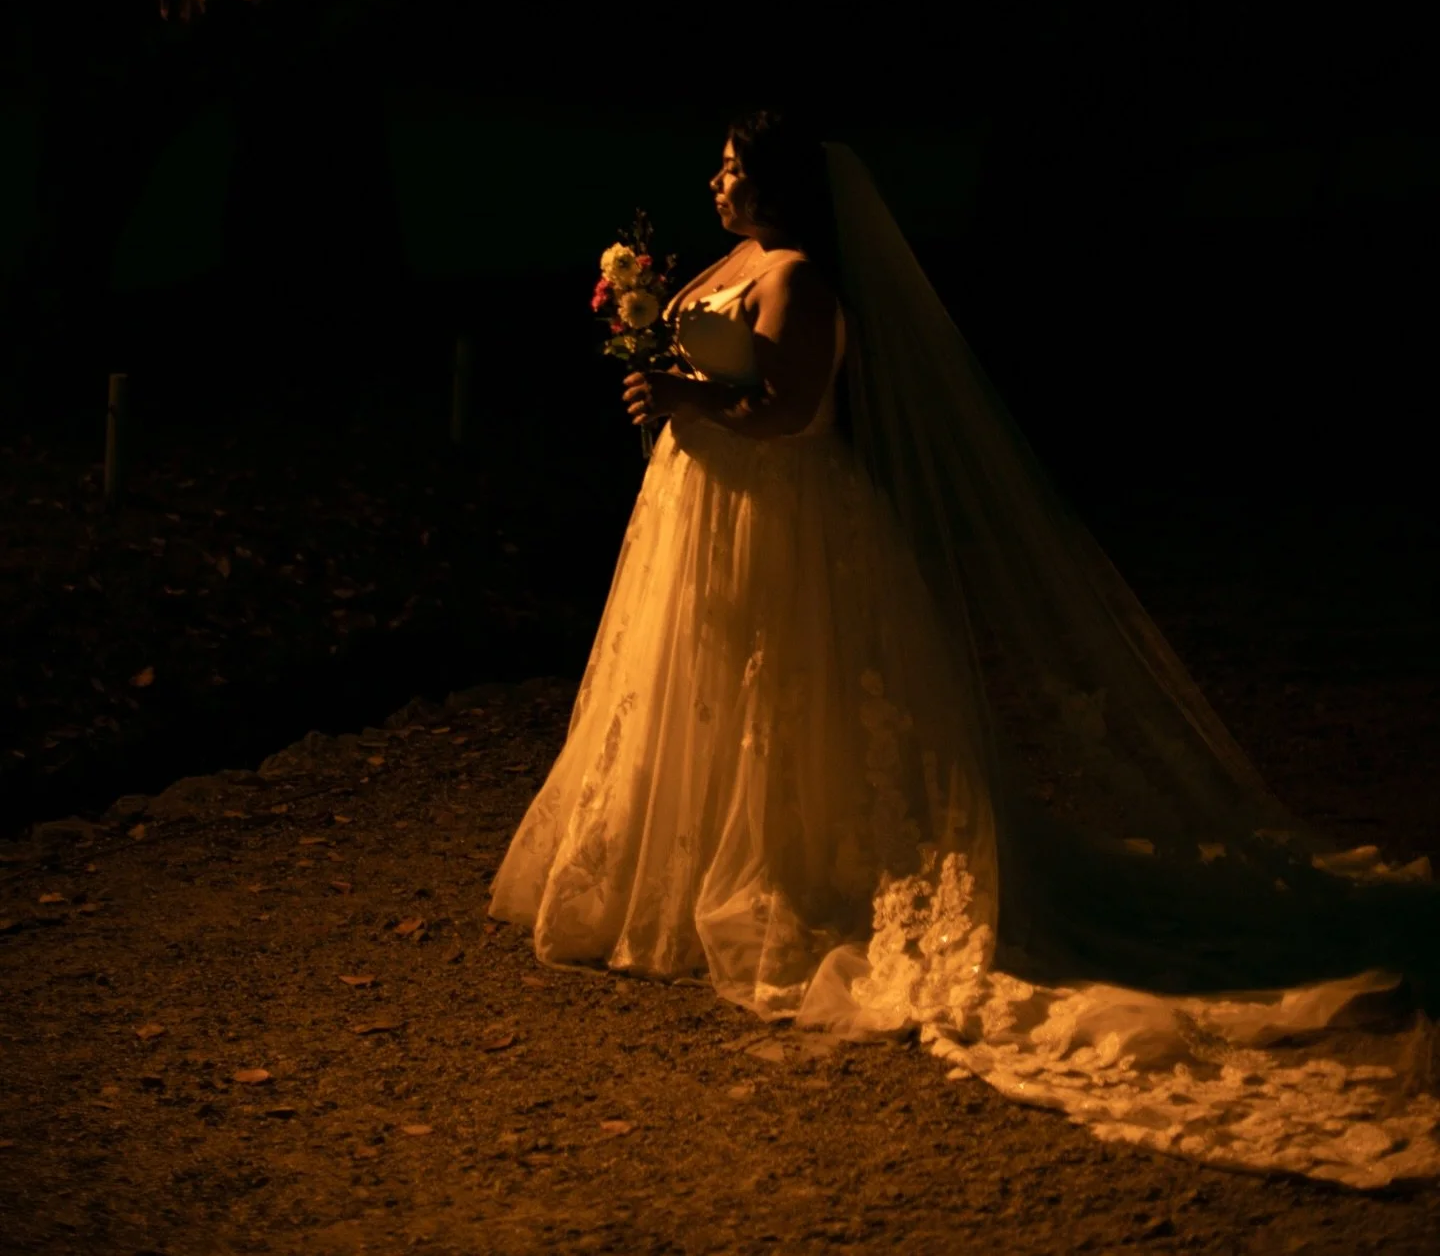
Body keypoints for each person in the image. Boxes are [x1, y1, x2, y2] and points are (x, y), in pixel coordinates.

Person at [491, 111, 1440, 1188]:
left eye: (734, 166)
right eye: (718, 163)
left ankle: (797, 877)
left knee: (778, 698)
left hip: (778, 513)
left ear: (780, 183)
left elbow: (789, 408)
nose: (716, 179)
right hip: (702, 506)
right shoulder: (738, 261)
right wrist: (658, 371)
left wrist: (683, 394)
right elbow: (715, 372)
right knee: (703, 692)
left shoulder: (797, 275)